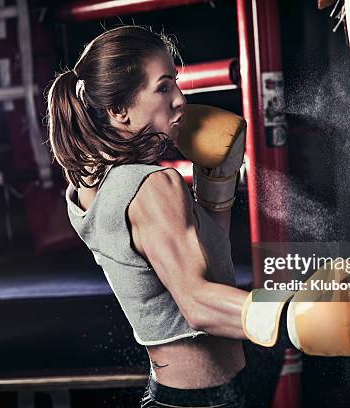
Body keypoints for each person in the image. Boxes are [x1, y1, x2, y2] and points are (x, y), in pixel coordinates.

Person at [46, 25, 250, 407]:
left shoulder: (85, 187)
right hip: (204, 400)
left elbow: (208, 257)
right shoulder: (153, 186)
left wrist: (216, 183)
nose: (180, 100)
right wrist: (297, 315)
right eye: (164, 86)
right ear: (118, 110)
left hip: (170, 395)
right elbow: (199, 305)